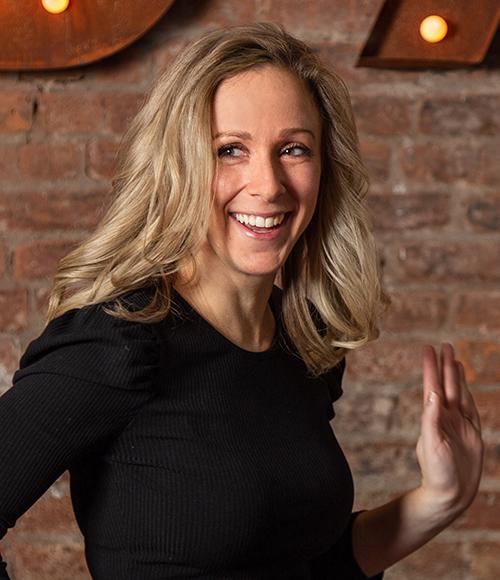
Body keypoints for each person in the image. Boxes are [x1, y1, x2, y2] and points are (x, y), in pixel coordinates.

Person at [0, 22, 483, 580]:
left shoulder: (301, 346)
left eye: (293, 149)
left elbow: (301, 564)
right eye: (230, 150)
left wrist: (438, 502)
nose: (269, 184)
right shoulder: (119, 341)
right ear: (178, 165)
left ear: (324, 168)